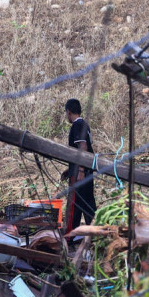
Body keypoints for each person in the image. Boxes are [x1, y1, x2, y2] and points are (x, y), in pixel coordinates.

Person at [63, 98, 96, 232]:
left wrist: (80, 170)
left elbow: (82, 147)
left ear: (68, 112)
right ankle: (95, 234)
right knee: (88, 205)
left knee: (74, 205)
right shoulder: (85, 125)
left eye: (66, 113)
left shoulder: (77, 125)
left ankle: (70, 236)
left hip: (80, 174)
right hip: (87, 172)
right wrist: (69, 169)